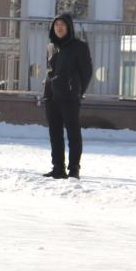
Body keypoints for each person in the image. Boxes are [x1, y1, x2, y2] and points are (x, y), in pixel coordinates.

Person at [42, 13, 93, 179]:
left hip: (70, 96)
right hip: (51, 96)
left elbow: (86, 72)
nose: (59, 28)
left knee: (73, 133)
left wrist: (77, 91)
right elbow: (50, 70)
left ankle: (74, 168)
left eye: (62, 24)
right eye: (56, 24)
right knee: (55, 133)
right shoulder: (51, 46)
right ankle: (58, 167)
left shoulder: (79, 46)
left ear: (69, 27)